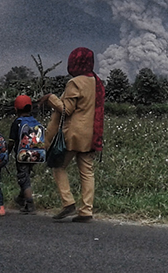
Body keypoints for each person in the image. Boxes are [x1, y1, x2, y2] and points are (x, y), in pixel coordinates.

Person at [40, 46, 105, 222]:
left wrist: (51, 98)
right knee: (87, 172)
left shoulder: (75, 83)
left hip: (74, 134)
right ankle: (86, 210)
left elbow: (66, 110)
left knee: (58, 166)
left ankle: (68, 202)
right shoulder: (96, 81)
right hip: (91, 134)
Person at [7, 94, 41, 214]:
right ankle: (21, 198)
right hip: (36, 154)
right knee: (26, 175)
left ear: (15, 109)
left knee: (23, 177)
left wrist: (7, 152)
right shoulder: (35, 121)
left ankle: (29, 203)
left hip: (22, 155)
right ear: (31, 108)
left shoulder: (17, 122)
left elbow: (11, 141)